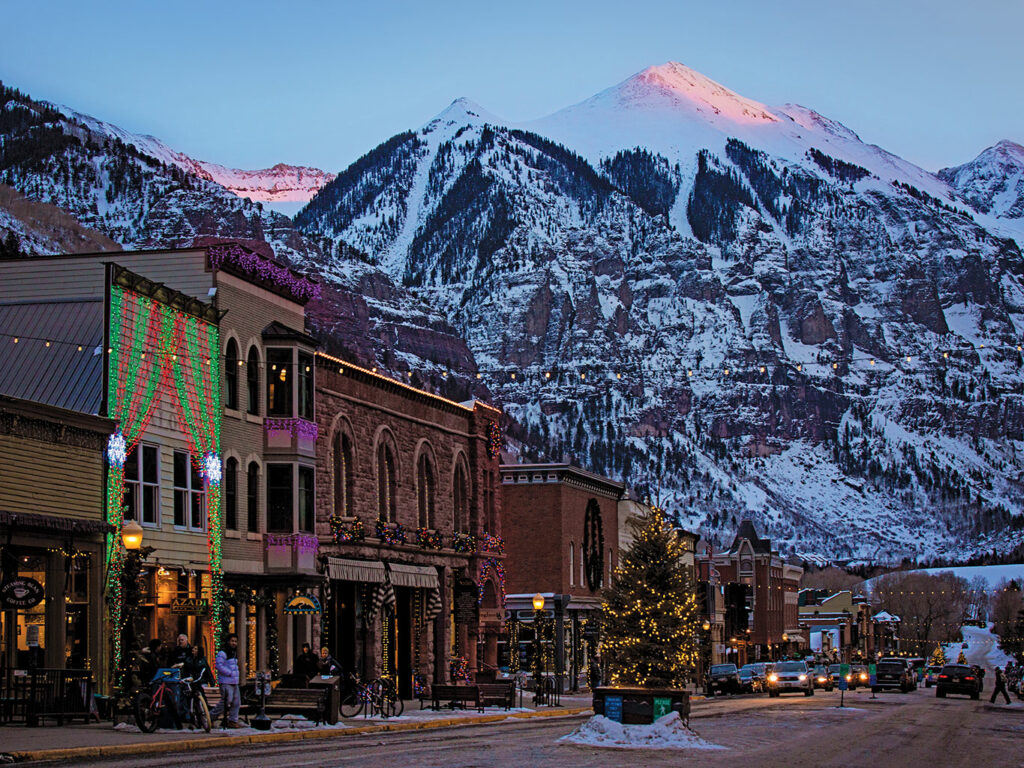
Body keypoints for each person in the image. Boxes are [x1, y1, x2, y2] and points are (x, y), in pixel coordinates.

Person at [210, 634, 243, 728]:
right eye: (232, 641)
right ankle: (210, 716)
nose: (234, 643)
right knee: (226, 701)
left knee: (236, 702)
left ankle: (233, 720)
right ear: (228, 641)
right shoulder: (222, 653)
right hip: (226, 681)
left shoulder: (234, 653)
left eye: (235, 641)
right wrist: (229, 673)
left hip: (234, 681)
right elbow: (218, 665)